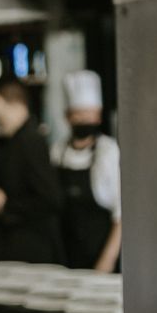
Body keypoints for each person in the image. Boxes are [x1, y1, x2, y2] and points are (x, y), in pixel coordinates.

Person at [0, 78, 64, 264]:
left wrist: (5, 204)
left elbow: (51, 198)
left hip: (33, 246)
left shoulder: (30, 141)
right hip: (18, 243)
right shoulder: (14, 141)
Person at [51, 70, 122, 272]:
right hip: (65, 257)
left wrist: (106, 261)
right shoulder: (57, 151)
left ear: (99, 116)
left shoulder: (109, 152)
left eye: (90, 114)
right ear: (68, 117)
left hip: (100, 256)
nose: (84, 120)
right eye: (79, 114)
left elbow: (121, 215)